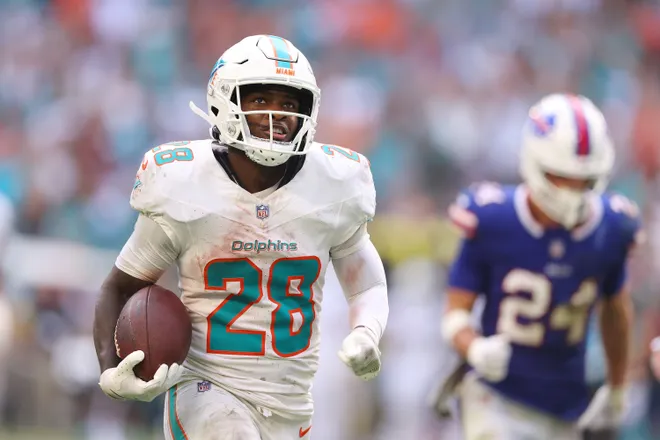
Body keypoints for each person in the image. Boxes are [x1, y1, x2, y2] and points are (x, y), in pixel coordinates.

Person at [92, 34, 389, 440]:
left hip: (291, 403)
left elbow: (367, 284)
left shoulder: (336, 184)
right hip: (205, 389)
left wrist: (367, 331)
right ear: (224, 101)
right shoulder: (184, 182)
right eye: (260, 99)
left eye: (289, 104)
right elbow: (120, 286)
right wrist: (109, 370)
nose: (276, 115)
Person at [437, 93, 640, 439]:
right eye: (561, 177)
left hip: (566, 402)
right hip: (496, 396)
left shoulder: (612, 228)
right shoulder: (493, 219)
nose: (572, 191)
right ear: (534, 163)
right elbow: (455, 313)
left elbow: (616, 313)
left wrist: (618, 386)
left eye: (584, 180)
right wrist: (475, 348)